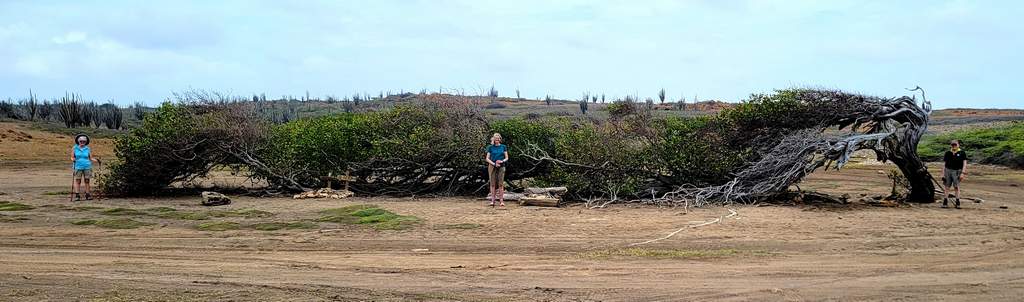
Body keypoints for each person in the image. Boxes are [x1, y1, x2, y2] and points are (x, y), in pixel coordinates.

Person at [71, 134, 99, 201]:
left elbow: (90, 158)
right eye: (81, 141)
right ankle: (77, 195)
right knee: (78, 181)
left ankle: (88, 195)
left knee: (87, 181)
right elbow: (72, 157)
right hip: (78, 166)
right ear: (78, 141)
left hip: (87, 166)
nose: (82, 142)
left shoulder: (88, 148)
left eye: (84, 141)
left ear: (86, 142)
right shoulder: (74, 148)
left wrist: (97, 160)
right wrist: (73, 159)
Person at [941, 139, 968, 209]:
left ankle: (958, 202)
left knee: (956, 187)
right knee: (947, 186)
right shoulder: (947, 153)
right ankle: (945, 202)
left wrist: (963, 173)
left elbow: (964, 163)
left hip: (957, 171)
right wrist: (942, 174)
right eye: (952, 145)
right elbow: (944, 164)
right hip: (948, 170)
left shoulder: (962, 153)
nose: (954, 146)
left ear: (958, 145)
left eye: (955, 144)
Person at [485, 133, 509, 206]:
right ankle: (493, 201)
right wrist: (494, 164)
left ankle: (501, 201)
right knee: (492, 184)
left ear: (500, 139)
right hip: (492, 166)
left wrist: (502, 161)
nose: (497, 140)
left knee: (501, 184)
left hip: (501, 166)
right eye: (496, 139)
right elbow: (487, 158)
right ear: (494, 139)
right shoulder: (490, 147)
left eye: (498, 139)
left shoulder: (503, 147)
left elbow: (507, 157)